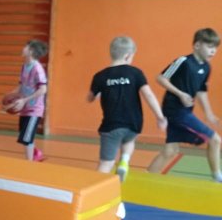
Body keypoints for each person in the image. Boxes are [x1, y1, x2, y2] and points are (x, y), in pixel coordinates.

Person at [88, 36, 167, 181]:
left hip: (112, 125)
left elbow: (90, 98)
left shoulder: (100, 76)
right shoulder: (135, 72)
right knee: (129, 140)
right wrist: (160, 117)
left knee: (106, 163)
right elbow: (148, 95)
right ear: (128, 55)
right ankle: (124, 161)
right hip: (133, 123)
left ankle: (93, 189)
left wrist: (98, 93)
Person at [147, 28, 222, 182]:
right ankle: (217, 178)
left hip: (184, 111)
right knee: (215, 140)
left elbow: (201, 91)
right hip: (175, 111)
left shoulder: (206, 67)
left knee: (170, 151)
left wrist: (209, 114)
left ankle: (145, 179)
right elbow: (161, 78)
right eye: (209, 46)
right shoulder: (183, 62)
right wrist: (180, 94)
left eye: (215, 47)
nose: (213, 51)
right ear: (197, 45)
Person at [8, 40, 49, 161]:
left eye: (25, 47)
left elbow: (43, 89)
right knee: (25, 135)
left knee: (26, 139)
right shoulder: (25, 66)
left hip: (34, 109)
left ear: (31, 51)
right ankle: (37, 153)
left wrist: (25, 100)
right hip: (25, 107)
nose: (23, 48)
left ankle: (29, 164)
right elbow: (21, 85)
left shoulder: (38, 69)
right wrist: (11, 96)